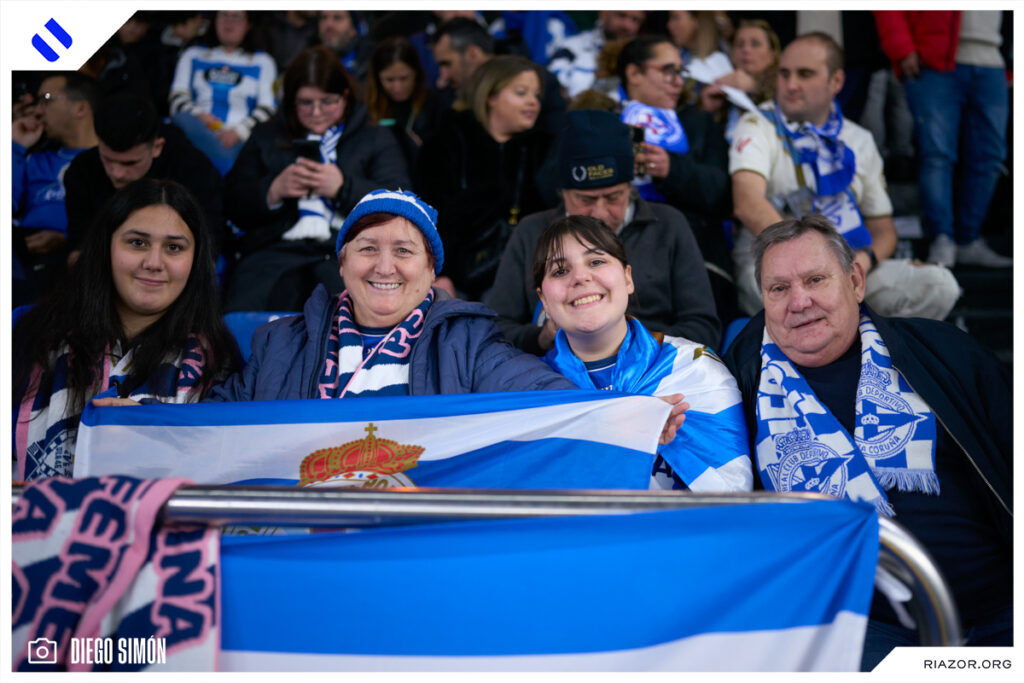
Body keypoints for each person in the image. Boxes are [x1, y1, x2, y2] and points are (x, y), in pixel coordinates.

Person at [721, 215, 1011, 668]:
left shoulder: (944, 351)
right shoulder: (735, 392)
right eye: (778, 288)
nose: (799, 301)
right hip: (863, 629)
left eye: (815, 280)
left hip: (1003, 610)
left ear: (855, 281)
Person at [207, 189, 581, 401]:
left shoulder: (469, 344)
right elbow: (211, 429)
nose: (385, 268)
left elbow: (558, 405)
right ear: (342, 263)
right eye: (368, 249)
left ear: (431, 270)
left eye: (403, 251)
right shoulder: (280, 343)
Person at [13, 179, 239, 481]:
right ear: (105, 247)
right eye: (137, 243)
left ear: (195, 261)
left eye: (174, 247)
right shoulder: (27, 333)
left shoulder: (221, 360)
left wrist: (149, 427)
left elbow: (225, 468)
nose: (153, 262)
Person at [729, 32, 960, 320]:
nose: (790, 84)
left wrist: (862, 262)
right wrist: (813, 261)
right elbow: (748, 203)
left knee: (939, 285)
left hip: (846, 267)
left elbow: (884, 231)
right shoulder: (757, 123)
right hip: (779, 272)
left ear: (836, 81)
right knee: (803, 303)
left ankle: (863, 338)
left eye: (805, 74)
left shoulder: (859, 139)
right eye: (784, 73)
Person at [534, 215, 751, 492]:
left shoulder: (695, 368)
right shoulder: (530, 392)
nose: (580, 277)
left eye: (596, 261)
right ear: (544, 300)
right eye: (560, 271)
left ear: (627, 278)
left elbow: (730, 499)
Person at [486, 109, 720, 354]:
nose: (599, 213)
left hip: (656, 367)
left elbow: (703, 327)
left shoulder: (668, 225)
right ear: (563, 193)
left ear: (630, 187)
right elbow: (497, 329)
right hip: (554, 369)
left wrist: (623, 346)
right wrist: (545, 337)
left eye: (613, 197)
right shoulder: (531, 232)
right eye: (585, 200)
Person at [223, 46, 410, 312]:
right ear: (291, 101)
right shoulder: (266, 134)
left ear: (345, 96)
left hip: (349, 252)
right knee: (244, 316)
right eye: (306, 103)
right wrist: (272, 192)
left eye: (328, 101)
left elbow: (401, 202)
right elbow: (232, 202)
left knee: (351, 315)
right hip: (274, 251)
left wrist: (343, 188)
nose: (317, 112)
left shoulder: (374, 136)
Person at [874, 10, 1011, 269]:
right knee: (937, 155)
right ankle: (942, 238)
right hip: (934, 59)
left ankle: (969, 240)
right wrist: (902, 48)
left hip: (993, 60)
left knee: (990, 157)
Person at [615, 36, 735, 322]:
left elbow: (723, 194)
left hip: (697, 258)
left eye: (681, 72)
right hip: (620, 257)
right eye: (668, 71)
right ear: (634, 73)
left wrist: (672, 169)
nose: (678, 82)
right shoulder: (601, 119)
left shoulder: (698, 122)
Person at [415, 55, 552, 301]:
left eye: (537, 95)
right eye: (521, 93)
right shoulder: (446, 142)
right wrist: (439, 271)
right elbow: (428, 213)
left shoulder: (542, 148)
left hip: (522, 276)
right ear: (490, 96)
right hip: (454, 276)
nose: (533, 102)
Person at [64, 91, 225, 262]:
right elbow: (79, 247)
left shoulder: (192, 169)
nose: (117, 173)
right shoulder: (82, 171)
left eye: (130, 163)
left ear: (157, 147)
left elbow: (208, 244)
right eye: (108, 159)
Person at [13, 73, 100, 306]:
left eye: (46, 99)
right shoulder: (33, 159)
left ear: (80, 108)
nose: (37, 111)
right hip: (25, 258)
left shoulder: (113, 163)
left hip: (82, 263)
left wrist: (69, 241)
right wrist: (15, 146)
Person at [169, 9, 277, 175]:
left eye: (237, 16)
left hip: (241, 140)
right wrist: (200, 116)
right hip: (196, 130)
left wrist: (238, 132)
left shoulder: (263, 61)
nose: (229, 21)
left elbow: (268, 109)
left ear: (248, 24)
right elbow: (177, 99)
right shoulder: (193, 55)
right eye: (223, 15)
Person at [431, 17, 567, 137]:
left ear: (472, 54)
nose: (443, 75)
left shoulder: (541, 81)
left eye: (447, 64)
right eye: (521, 92)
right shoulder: (447, 98)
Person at [365, 36, 445, 170]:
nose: (397, 88)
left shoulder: (435, 103)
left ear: (416, 74)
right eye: (389, 80)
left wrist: (424, 148)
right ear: (377, 79)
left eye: (404, 78)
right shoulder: (365, 107)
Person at [701, 19, 781, 141]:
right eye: (740, 44)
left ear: (772, 54)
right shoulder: (722, 84)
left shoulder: (784, 86)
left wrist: (755, 87)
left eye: (755, 44)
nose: (746, 50)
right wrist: (708, 111)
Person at [548, 10, 647, 98]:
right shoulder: (571, 47)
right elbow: (553, 88)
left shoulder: (644, 59)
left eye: (635, 20)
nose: (627, 26)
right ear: (603, 13)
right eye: (621, 15)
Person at [317, 10, 373, 84]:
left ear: (354, 29)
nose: (329, 25)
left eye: (337, 18)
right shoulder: (309, 56)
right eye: (323, 18)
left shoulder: (370, 61)